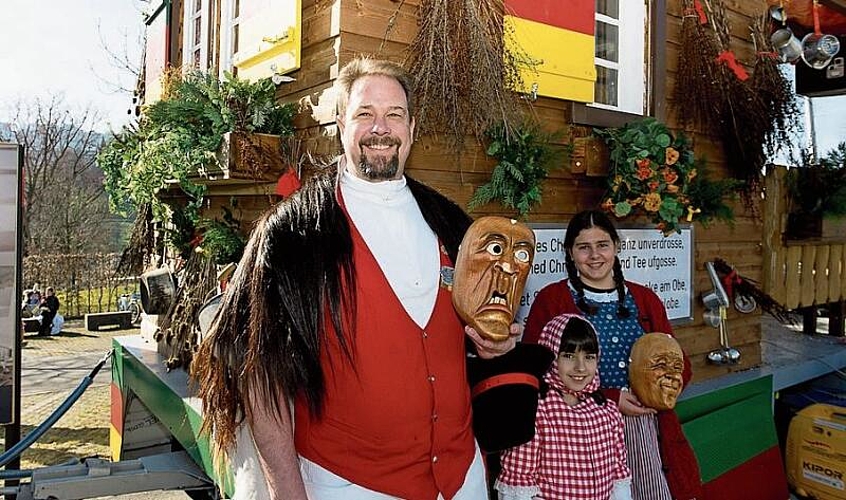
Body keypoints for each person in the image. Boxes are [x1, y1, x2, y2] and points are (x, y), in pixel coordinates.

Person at [192, 56, 519, 500]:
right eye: (366, 114)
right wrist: (287, 491)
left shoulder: (452, 224)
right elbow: (260, 375)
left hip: (463, 481)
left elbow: (478, 325)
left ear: (411, 128)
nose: (381, 128)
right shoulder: (292, 233)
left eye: (394, 115)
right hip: (346, 485)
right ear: (341, 124)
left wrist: (493, 342)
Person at [523, 210, 702, 500]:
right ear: (570, 253)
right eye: (584, 247)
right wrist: (609, 396)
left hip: (645, 429)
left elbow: (679, 364)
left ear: (617, 247)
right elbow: (535, 373)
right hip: (579, 435)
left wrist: (657, 389)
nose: (595, 255)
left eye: (602, 245)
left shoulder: (645, 300)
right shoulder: (551, 300)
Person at [496, 314, 632, 500]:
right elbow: (520, 477)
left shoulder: (607, 411)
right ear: (551, 356)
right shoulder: (536, 411)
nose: (580, 367)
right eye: (569, 356)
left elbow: (618, 472)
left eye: (589, 357)